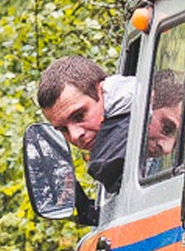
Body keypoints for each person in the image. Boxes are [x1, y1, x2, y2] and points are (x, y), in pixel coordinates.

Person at [36, 55, 137, 198]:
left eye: (79, 116)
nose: (75, 136)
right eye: (63, 129)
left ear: (102, 91)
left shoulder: (148, 107)